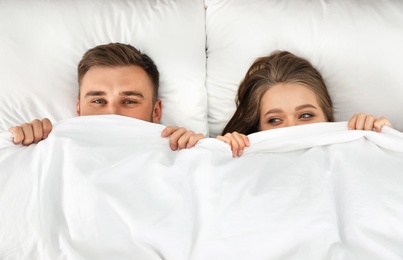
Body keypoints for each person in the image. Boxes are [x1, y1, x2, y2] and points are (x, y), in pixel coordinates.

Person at [8, 43, 204, 150]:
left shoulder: (184, 153)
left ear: (156, 111)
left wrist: (197, 152)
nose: (112, 113)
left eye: (129, 101)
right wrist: (19, 146)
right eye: (98, 101)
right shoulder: (42, 149)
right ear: (78, 108)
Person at [217, 51, 392, 157]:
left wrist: (383, 141)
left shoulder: (357, 147)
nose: (292, 128)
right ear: (257, 129)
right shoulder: (237, 155)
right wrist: (221, 153)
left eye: (306, 115)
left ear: (328, 118)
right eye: (275, 120)